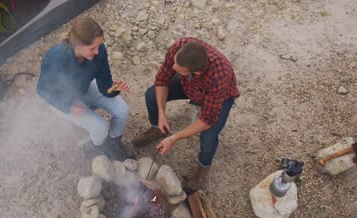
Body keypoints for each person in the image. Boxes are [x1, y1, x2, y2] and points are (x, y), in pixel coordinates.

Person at [132, 37, 240, 192]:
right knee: (151, 95)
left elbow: (207, 119)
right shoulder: (180, 49)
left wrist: (175, 138)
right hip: (189, 84)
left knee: (209, 137)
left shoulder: (219, 74)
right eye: (174, 62)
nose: (173, 66)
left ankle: (203, 168)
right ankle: (157, 129)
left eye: (178, 68)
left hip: (219, 97)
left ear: (196, 72)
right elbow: (162, 80)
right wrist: (162, 114)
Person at [37, 16, 133, 160]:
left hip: (85, 87)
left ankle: (114, 142)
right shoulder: (56, 59)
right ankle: (99, 148)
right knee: (101, 127)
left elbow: (104, 86)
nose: (97, 52)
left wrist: (115, 88)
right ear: (78, 46)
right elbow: (43, 90)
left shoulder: (99, 51)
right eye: (92, 48)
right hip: (63, 99)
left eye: (98, 46)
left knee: (123, 111)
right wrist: (68, 107)